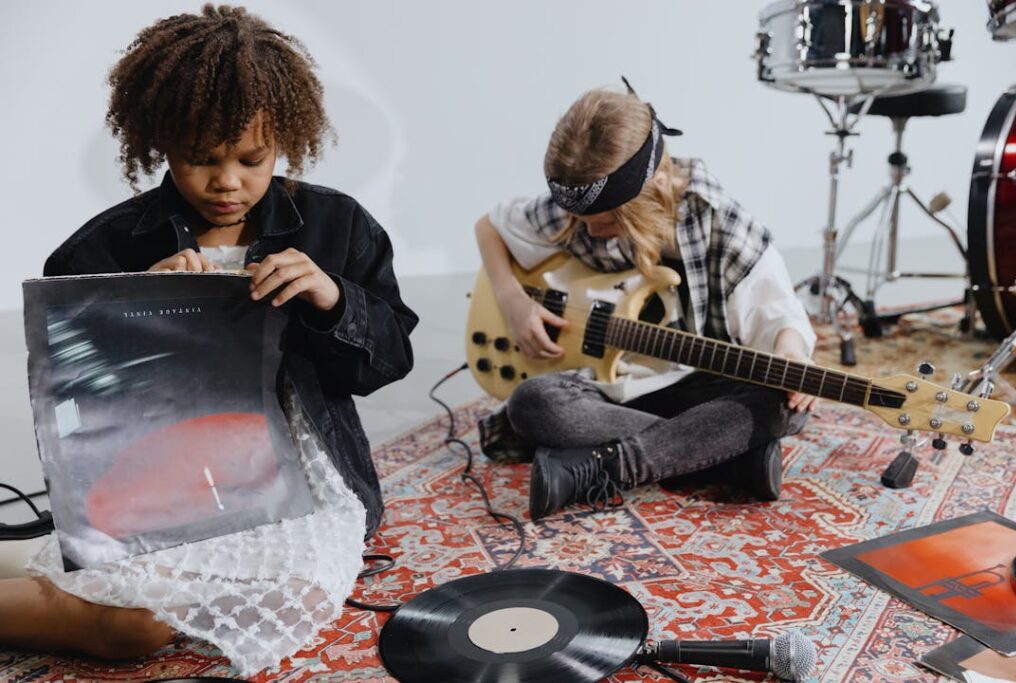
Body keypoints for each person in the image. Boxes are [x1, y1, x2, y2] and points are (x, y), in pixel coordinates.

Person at [0, 5, 417, 675]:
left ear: (287, 137)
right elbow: (71, 408)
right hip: (159, 477)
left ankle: (42, 568)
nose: (227, 182)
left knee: (301, 592)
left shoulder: (336, 224)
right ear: (159, 142)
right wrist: (136, 311)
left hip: (298, 477)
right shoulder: (101, 247)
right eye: (200, 159)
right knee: (136, 626)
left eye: (252, 160)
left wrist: (331, 297)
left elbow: (390, 358)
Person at [474, 80, 816, 520]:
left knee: (779, 404)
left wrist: (791, 353)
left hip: (695, 388)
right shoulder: (584, 200)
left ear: (653, 186)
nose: (590, 232)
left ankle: (605, 467)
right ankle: (727, 458)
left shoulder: (725, 228)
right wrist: (512, 301)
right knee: (532, 403)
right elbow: (490, 226)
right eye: (582, 220)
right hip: (609, 390)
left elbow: (780, 313)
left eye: (607, 221)